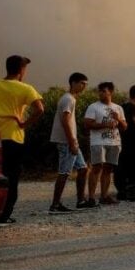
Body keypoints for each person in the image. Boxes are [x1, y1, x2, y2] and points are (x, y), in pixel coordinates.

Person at [0, 55, 45, 225]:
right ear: (22, 70)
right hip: (13, 138)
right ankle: (3, 215)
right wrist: (24, 123)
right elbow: (40, 109)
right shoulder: (25, 89)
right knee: (11, 178)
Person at [48, 72, 91, 212]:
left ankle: (81, 201)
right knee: (64, 172)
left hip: (71, 141)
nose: (84, 86)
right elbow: (65, 120)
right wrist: (72, 141)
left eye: (85, 84)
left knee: (83, 168)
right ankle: (55, 205)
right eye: (82, 83)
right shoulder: (68, 99)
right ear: (73, 83)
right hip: (66, 141)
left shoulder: (71, 98)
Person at [84, 82, 127, 205]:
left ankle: (104, 196)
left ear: (111, 92)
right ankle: (91, 198)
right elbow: (87, 124)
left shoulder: (118, 108)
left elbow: (124, 127)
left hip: (114, 141)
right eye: (100, 91)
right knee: (97, 167)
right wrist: (105, 124)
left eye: (104, 91)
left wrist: (118, 118)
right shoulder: (93, 107)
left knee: (108, 169)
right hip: (98, 142)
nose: (101, 93)